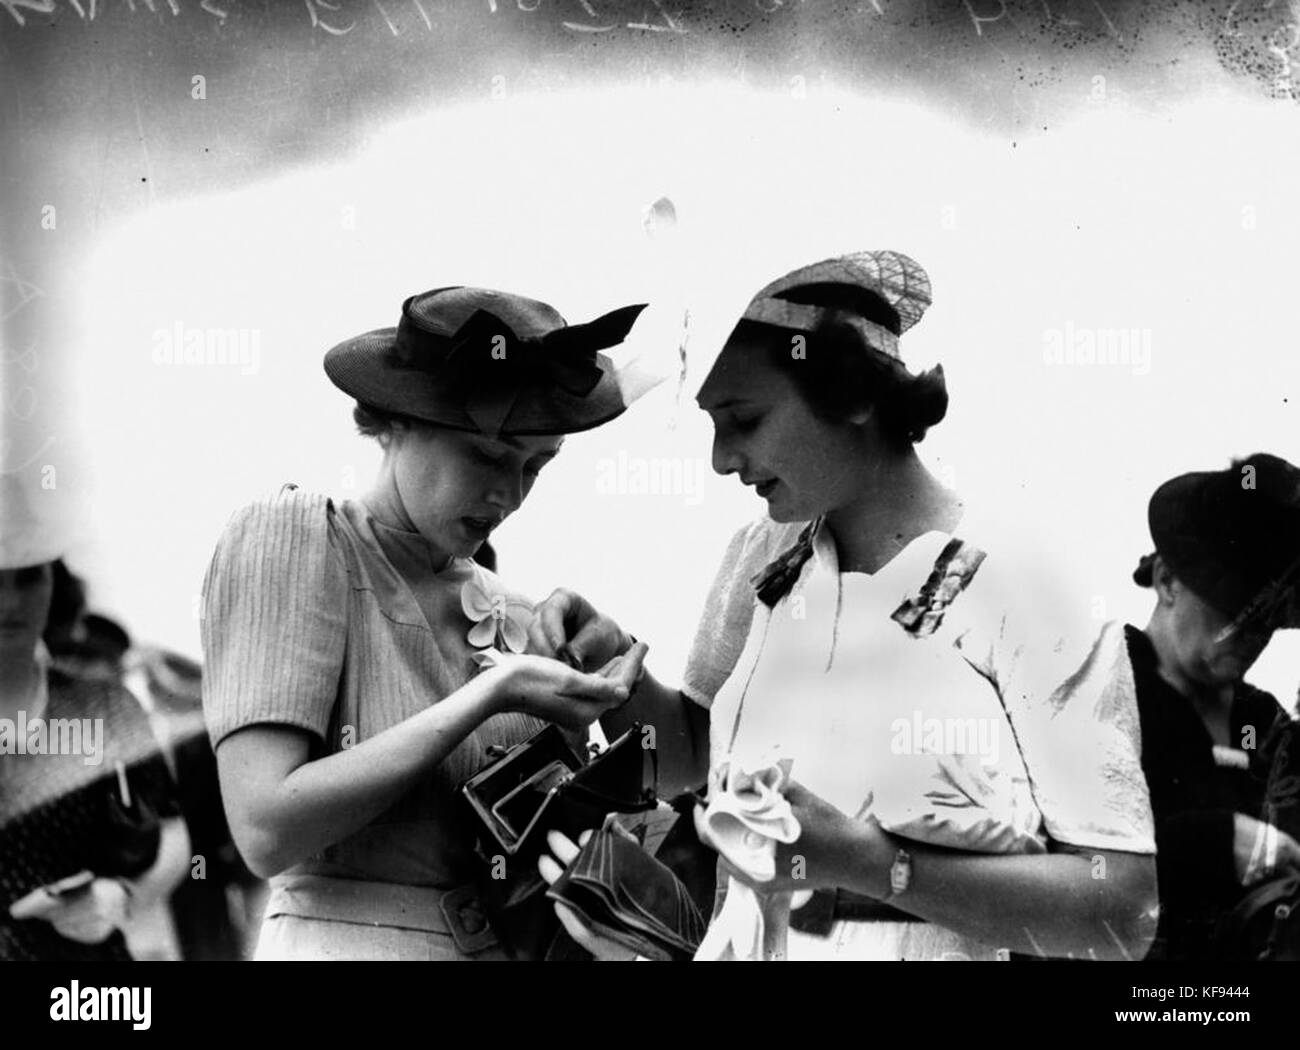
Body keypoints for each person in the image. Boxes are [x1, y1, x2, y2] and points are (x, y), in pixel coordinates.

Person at [533, 251, 1159, 960]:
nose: (719, 459)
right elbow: (695, 761)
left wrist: (871, 864)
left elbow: (1123, 911)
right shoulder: (762, 558)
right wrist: (614, 662)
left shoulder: (1025, 583)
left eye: (743, 418)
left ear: (855, 395)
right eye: (711, 422)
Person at [199, 286, 654, 960]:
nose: (511, 495)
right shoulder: (300, 539)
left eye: (537, 465)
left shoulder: (522, 616)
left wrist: (614, 671)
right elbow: (266, 828)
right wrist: (488, 695)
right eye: (487, 456)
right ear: (395, 422)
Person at [1, 474, 191, 961]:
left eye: (28, 576)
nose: (10, 602)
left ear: (54, 580)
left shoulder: (105, 707)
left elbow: (172, 834)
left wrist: (123, 896)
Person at [1124, 453, 1300, 960]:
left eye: (1265, 622)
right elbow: (1049, 855)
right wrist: (1209, 843)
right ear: (1166, 580)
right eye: (1231, 612)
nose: (1249, 639)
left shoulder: (1264, 721)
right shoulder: (1097, 682)